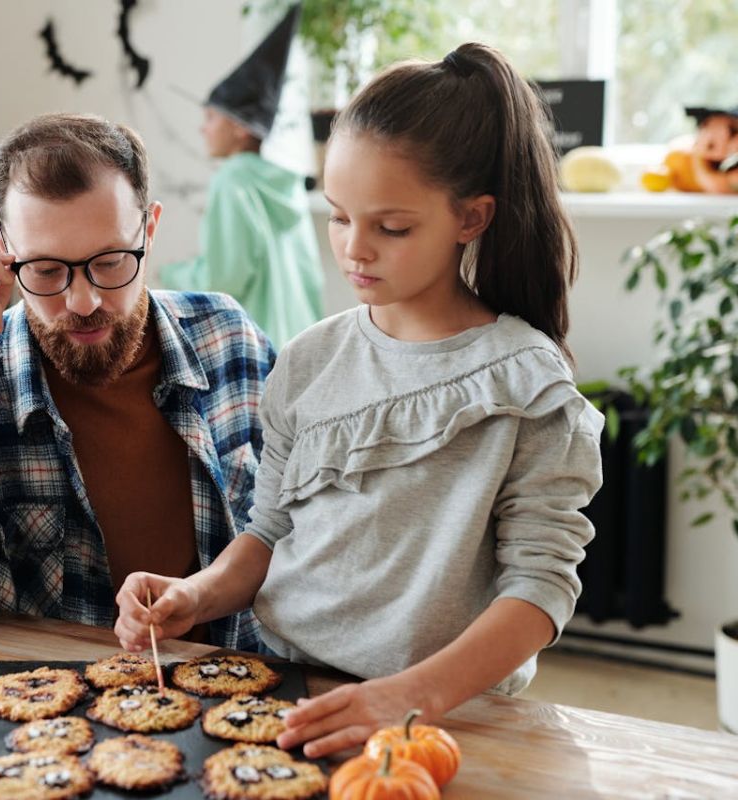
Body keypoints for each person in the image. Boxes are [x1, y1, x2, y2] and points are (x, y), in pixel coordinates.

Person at [115, 43, 605, 757]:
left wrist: (413, 695)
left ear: (471, 218)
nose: (354, 250)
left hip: (441, 715)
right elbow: (269, 529)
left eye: (391, 227)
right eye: (339, 216)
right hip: (280, 690)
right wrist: (202, 592)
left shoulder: (528, 385)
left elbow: (541, 588)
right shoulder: (311, 358)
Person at [0, 113, 275, 652]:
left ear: (150, 230)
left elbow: (301, 535)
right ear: (2, 246)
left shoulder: (231, 342)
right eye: (45, 271)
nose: (83, 302)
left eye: (112, 262)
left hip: (234, 696)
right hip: (49, 715)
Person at [160, 4, 325, 347]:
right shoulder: (288, 183)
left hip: (255, 348)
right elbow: (311, 280)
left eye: (210, 118)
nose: (202, 129)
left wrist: (171, 273)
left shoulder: (232, 180)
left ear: (237, 128)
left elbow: (223, 281)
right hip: (301, 343)